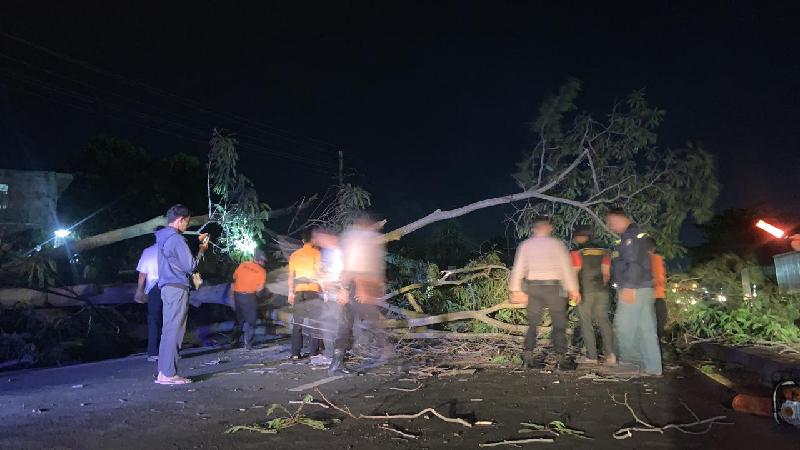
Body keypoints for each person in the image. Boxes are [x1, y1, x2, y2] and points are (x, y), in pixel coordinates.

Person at [508, 216, 580, 370]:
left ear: (533, 228)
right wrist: (573, 288)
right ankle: (561, 361)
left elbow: (518, 269)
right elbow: (566, 269)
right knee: (559, 324)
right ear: (548, 228)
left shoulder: (525, 245)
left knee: (533, 324)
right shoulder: (557, 244)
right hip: (554, 288)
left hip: (534, 288)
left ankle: (528, 359)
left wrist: (515, 289)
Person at [154, 204, 208, 385]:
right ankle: (170, 374)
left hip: (167, 287)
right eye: (187, 222)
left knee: (168, 330)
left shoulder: (163, 238)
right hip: (177, 287)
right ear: (180, 220)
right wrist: (202, 249)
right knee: (175, 330)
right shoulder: (176, 239)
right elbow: (191, 266)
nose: (187, 225)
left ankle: (163, 372)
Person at [329, 213, 388, 375]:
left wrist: (344, 289)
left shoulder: (352, 236)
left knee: (347, 325)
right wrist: (358, 288)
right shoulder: (360, 238)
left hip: (351, 286)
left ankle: (336, 363)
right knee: (373, 320)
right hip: (357, 287)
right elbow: (354, 266)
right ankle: (390, 355)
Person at [606, 207, 662, 377]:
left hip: (635, 287)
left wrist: (628, 286)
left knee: (623, 325)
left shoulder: (630, 237)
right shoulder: (636, 235)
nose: (610, 227)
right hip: (644, 288)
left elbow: (633, 263)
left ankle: (630, 362)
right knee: (646, 328)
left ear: (621, 218)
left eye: (612, 223)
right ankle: (653, 368)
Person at [570, 225, 617, 366]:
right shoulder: (605, 251)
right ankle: (611, 355)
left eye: (576, 236)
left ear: (582, 236)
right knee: (604, 321)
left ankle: (592, 356)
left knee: (586, 324)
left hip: (585, 291)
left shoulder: (577, 252)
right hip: (602, 291)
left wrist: (574, 291)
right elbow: (606, 274)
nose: (575, 239)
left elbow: (574, 273)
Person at [287, 231, 323, 360]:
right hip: (312, 291)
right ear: (312, 241)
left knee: (298, 323)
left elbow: (291, 276)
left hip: (298, 292)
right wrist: (326, 291)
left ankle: (295, 353)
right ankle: (314, 351)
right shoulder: (316, 253)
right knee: (314, 322)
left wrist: (290, 292)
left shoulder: (294, 255)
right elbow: (319, 274)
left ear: (302, 241)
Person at [134, 227, 162, 362]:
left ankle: (153, 352)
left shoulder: (148, 251)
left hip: (154, 288)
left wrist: (140, 290)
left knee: (153, 319)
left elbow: (143, 273)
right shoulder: (171, 249)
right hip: (170, 286)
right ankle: (172, 351)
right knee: (169, 319)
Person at [231, 249, 267, 350]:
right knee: (251, 321)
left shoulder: (243, 264)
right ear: (260, 260)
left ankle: (234, 341)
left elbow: (234, 277)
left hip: (237, 294)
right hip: (249, 296)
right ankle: (248, 344)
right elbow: (260, 289)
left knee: (239, 319)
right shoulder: (262, 271)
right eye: (263, 261)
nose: (264, 263)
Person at [648, 238, 668, 342]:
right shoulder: (657, 259)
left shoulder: (639, 261)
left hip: (648, 299)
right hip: (656, 298)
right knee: (659, 326)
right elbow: (660, 279)